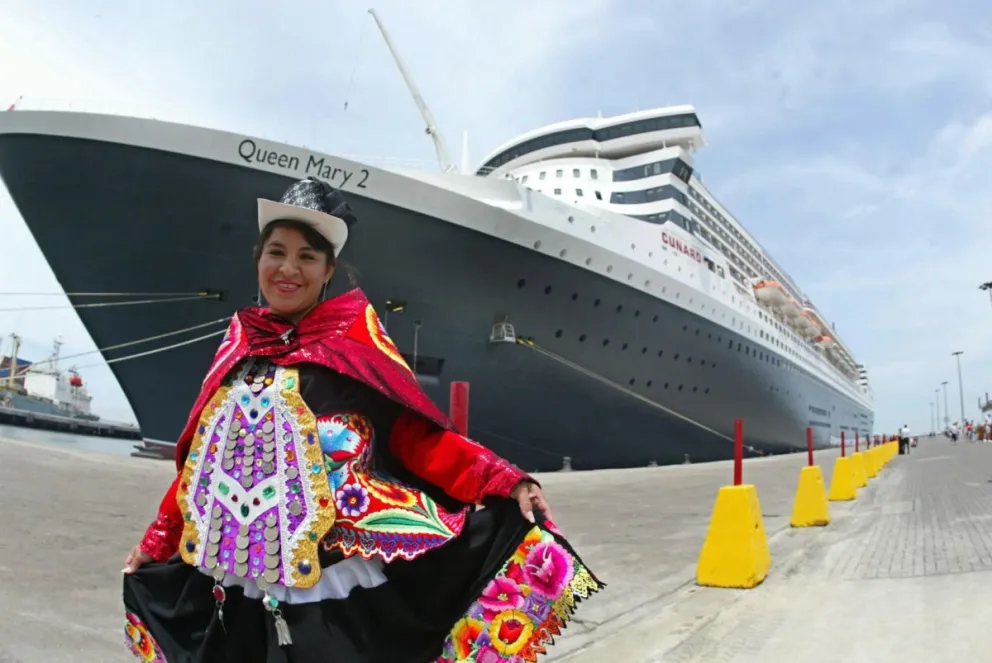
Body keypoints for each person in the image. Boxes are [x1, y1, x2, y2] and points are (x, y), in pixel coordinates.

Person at [120, 176, 603, 662]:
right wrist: (157, 540)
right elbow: (201, 466)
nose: (289, 268)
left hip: (332, 587)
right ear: (258, 260)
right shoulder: (241, 344)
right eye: (277, 252)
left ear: (329, 270)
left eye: (307, 256)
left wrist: (504, 481)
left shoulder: (354, 342)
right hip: (238, 579)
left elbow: (421, 440)